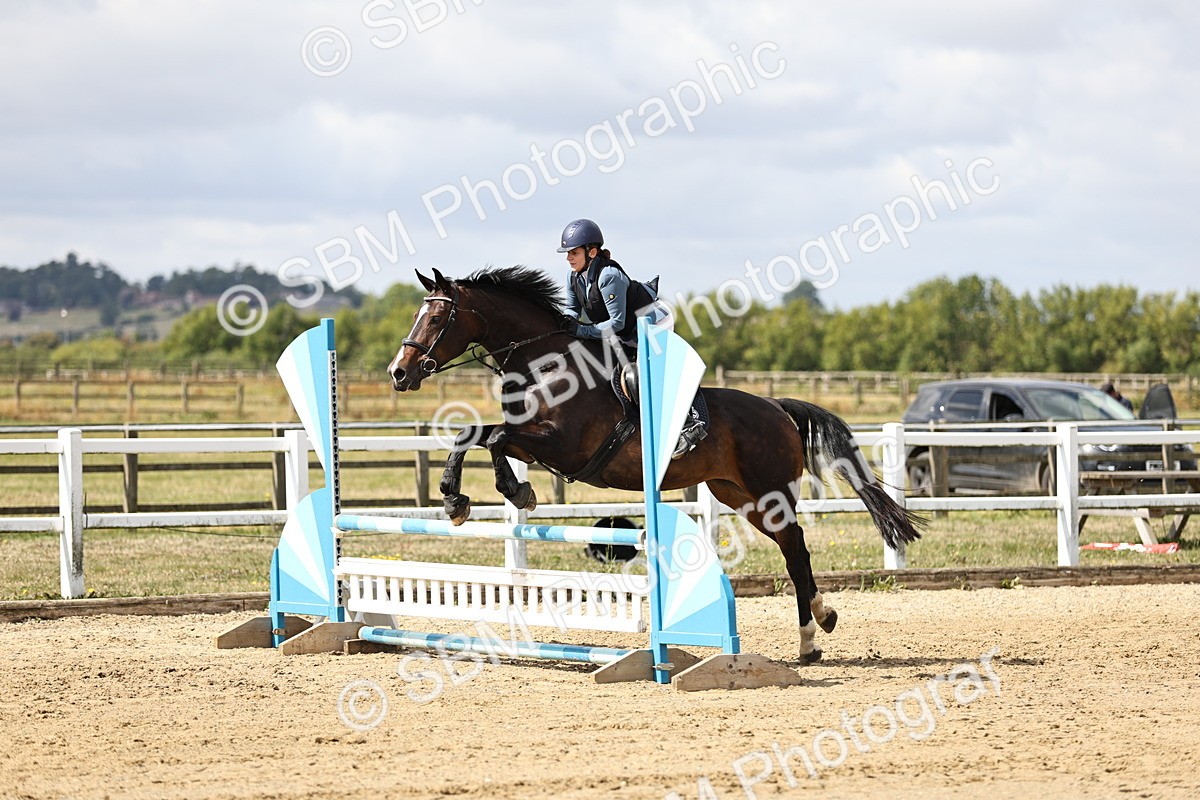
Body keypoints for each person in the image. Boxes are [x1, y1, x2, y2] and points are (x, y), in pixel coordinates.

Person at [556, 218, 706, 458]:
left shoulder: (609, 276)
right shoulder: (573, 277)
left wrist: (582, 330)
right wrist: (564, 323)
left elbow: (615, 323)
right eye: (567, 253)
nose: (568, 258)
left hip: (652, 323)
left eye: (574, 253)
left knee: (637, 374)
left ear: (592, 252)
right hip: (621, 331)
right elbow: (572, 310)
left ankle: (690, 423)